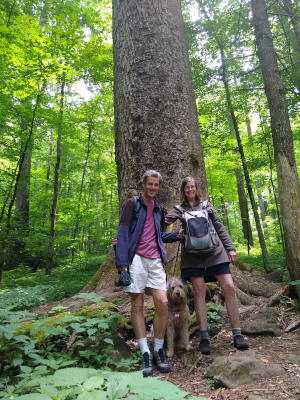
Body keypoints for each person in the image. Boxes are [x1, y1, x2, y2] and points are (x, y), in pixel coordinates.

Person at [164, 176, 249, 355]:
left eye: (193, 186)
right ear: (183, 190)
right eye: (187, 187)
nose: (190, 190)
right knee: (199, 292)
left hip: (215, 253)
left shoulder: (207, 205)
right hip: (192, 257)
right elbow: (162, 222)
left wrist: (231, 248)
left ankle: (237, 334)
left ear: (197, 188)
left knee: (230, 288)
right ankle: (204, 338)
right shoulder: (179, 209)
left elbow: (219, 226)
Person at [115, 170, 183, 377]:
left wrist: (175, 235)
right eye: (150, 184)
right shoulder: (132, 204)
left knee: (162, 302)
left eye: (156, 185)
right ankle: (145, 352)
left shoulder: (159, 208)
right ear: (143, 184)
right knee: (137, 304)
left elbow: (158, 234)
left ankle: (158, 349)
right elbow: (123, 231)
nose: (153, 188)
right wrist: (122, 264)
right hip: (135, 258)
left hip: (155, 260)